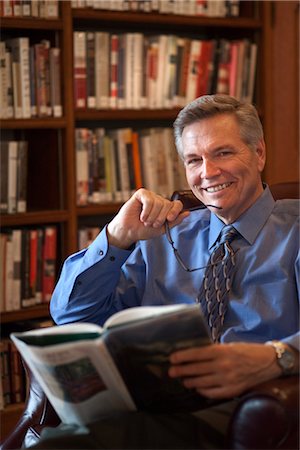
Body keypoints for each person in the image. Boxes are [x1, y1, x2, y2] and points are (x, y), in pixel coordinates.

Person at [33, 94, 299, 449]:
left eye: (223, 153)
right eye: (194, 160)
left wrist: (278, 356)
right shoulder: (162, 235)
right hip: (152, 400)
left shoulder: (295, 232)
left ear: (259, 153)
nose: (208, 172)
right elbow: (71, 314)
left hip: (246, 403)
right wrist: (116, 237)